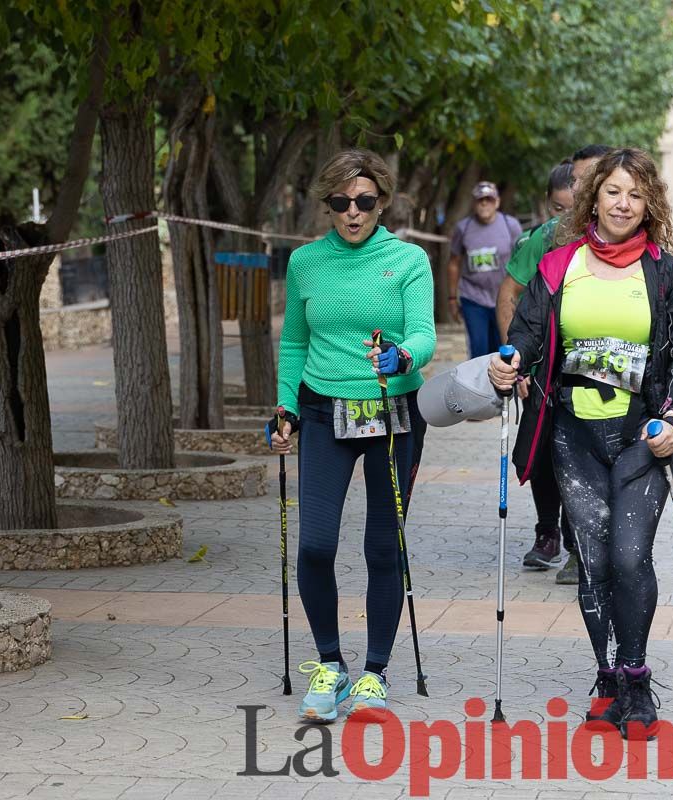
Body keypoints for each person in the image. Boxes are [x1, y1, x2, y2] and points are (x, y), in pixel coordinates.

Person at [489, 148, 673, 738]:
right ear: (594, 198)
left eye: (634, 194)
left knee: (630, 557)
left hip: (643, 436)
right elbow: (525, 334)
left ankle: (637, 676)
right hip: (573, 434)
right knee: (594, 564)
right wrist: (509, 362)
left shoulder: (664, 272)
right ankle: (607, 676)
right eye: (612, 192)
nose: (623, 204)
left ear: (648, 202)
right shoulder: (559, 266)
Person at [268, 148, 436, 723]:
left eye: (365, 201)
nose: (353, 212)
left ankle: (375, 672)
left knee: (382, 546)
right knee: (315, 545)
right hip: (322, 412)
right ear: (328, 206)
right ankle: (330, 666)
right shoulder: (306, 264)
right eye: (341, 202)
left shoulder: (409, 260)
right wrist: (285, 405)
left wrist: (402, 356)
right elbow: (293, 341)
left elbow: (424, 334)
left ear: (382, 202)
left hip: (391, 411)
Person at [499, 144, 613, 583]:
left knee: (587, 456)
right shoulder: (547, 237)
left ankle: (579, 545)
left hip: (600, 376)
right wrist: (519, 360)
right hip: (545, 372)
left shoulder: (631, 241)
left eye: (588, 181)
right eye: (576, 181)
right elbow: (509, 294)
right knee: (542, 453)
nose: (579, 189)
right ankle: (550, 532)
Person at [448, 182, 522, 358]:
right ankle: (479, 385)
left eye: (488, 199)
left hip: (503, 298)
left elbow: (522, 260)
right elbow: (454, 262)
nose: (484, 204)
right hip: (473, 298)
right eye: (480, 200)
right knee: (479, 350)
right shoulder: (463, 228)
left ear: (497, 202)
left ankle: (504, 386)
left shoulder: (510, 225)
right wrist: (452, 298)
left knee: (504, 348)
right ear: (474, 203)